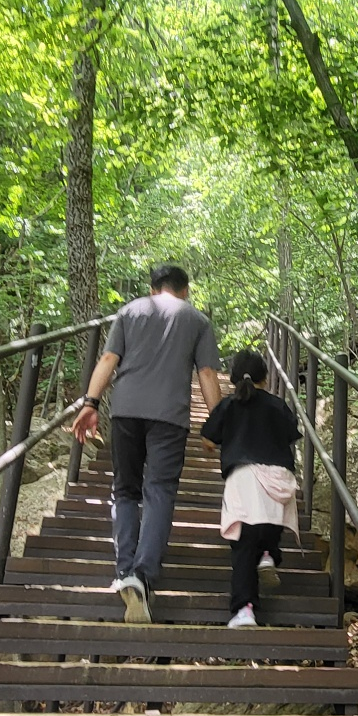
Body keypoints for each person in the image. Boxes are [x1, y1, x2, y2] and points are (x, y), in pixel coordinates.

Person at [73, 264, 222, 624]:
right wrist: (216, 423)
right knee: (159, 491)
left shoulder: (129, 311)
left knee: (125, 491)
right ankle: (142, 574)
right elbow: (206, 374)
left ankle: (124, 569)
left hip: (125, 411)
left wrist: (90, 403)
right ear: (185, 290)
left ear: (152, 288)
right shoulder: (198, 321)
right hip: (170, 416)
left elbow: (109, 359)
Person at [200, 349, 301, 629]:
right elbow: (292, 433)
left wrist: (218, 444)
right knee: (270, 520)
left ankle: (245, 610)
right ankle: (269, 554)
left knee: (244, 545)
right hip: (278, 476)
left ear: (232, 379)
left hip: (244, 478)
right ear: (266, 379)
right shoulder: (277, 405)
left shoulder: (228, 406)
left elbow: (207, 439)